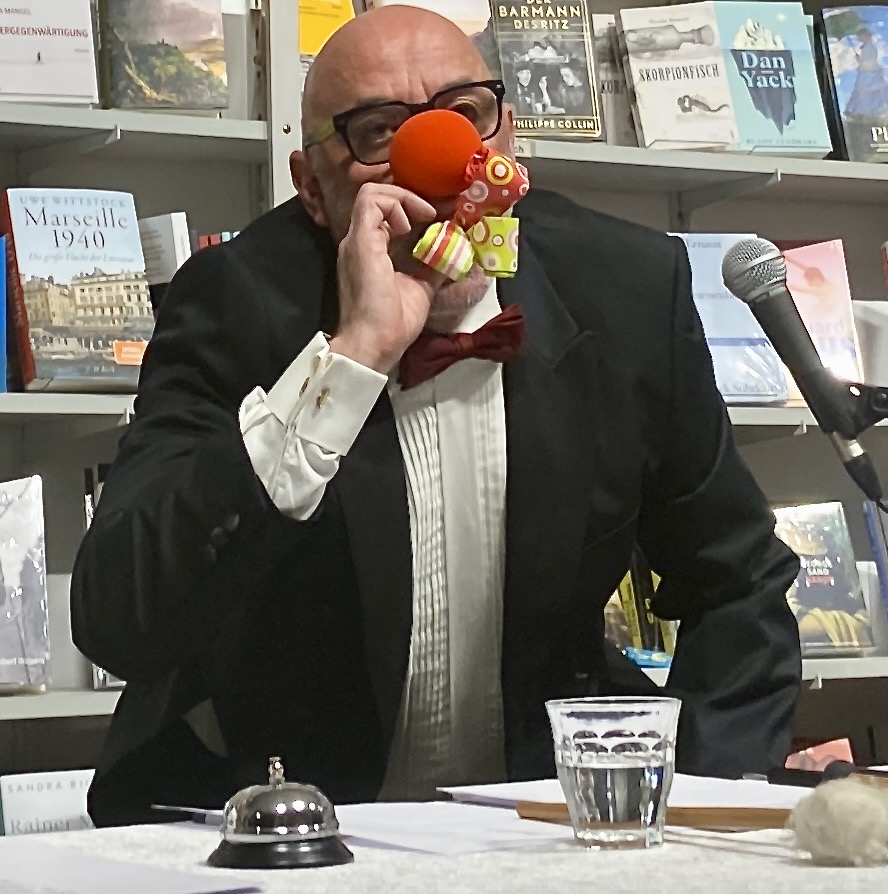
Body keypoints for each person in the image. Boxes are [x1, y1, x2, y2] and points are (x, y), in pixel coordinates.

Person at [70, 6, 801, 827]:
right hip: (276, 819)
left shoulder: (627, 288)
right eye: (381, 132)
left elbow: (737, 580)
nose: (444, 163)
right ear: (312, 187)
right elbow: (118, 619)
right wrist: (351, 358)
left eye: (465, 114)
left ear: (509, 138)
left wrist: (694, 802)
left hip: (538, 825)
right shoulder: (233, 300)